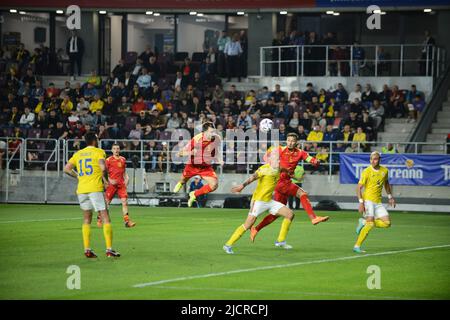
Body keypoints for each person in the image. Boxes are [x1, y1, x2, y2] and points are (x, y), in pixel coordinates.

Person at [250, 133, 329, 242]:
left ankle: (256, 229)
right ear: (286, 141)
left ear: (296, 142)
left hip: (285, 182)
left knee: (276, 213)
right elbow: (265, 156)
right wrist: (273, 164)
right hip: (280, 181)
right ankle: (313, 218)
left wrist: (316, 162)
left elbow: (310, 159)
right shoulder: (280, 149)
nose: (290, 142)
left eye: (292, 141)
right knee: (302, 194)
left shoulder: (300, 152)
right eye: (288, 140)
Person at [223, 153, 295, 254]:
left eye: (279, 159)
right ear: (269, 160)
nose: (278, 161)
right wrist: (242, 186)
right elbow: (252, 178)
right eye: (276, 159)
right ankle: (228, 245)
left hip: (269, 201)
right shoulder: (264, 169)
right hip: (258, 201)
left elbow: (285, 170)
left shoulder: (279, 168)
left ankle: (280, 241)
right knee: (248, 224)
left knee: (290, 214)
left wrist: (290, 173)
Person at [63, 132, 120, 258]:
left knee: (87, 219)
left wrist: (78, 176)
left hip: (82, 189)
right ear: (94, 140)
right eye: (97, 138)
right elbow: (103, 168)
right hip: (95, 189)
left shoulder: (78, 154)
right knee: (105, 217)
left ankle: (87, 249)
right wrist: (106, 181)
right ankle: (109, 249)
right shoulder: (99, 151)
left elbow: (66, 168)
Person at [354, 151, 396, 253]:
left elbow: (386, 184)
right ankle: (357, 246)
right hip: (368, 200)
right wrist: (361, 202)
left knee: (387, 223)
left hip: (378, 202)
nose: (373, 161)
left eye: (375, 159)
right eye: (371, 159)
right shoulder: (366, 171)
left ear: (379, 160)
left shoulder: (384, 171)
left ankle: (363, 221)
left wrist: (390, 197)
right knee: (370, 224)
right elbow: (358, 188)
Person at [173, 122, 223, 207]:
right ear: (204, 132)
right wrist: (191, 152)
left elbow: (216, 150)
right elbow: (179, 154)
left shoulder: (217, 138)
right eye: (210, 132)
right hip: (193, 166)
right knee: (183, 181)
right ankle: (180, 183)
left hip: (205, 167)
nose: (213, 134)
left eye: (213, 131)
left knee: (214, 185)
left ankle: (194, 194)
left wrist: (219, 159)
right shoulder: (196, 139)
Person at [96, 143, 136, 229]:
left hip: (121, 185)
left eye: (117, 148)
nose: (116, 150)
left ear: (119, 150)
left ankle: (127, 221)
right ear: (112, 150)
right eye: (114, 148)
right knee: (106, 203)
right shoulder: (108, 160)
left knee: (124, 202)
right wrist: (108, 181)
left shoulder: (123, 159)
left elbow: (124, 171)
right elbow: (103, 172)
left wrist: (127, 178)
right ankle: (99, 218)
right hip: (112, 185)